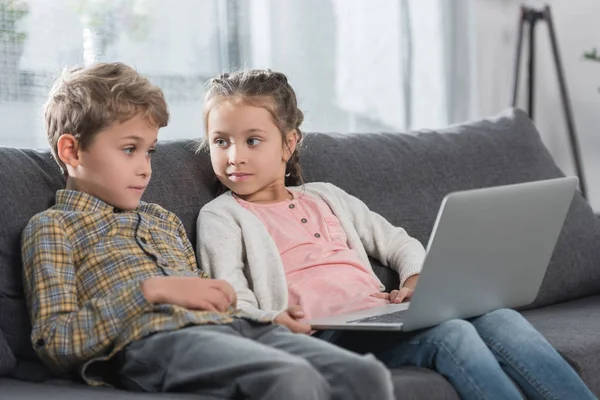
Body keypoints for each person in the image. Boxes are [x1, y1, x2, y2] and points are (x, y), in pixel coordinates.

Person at [196, 68, 597, 400]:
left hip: (376, 316)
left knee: (498, 317)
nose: (235, 157)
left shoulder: (325, 197)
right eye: (221, 142)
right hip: (325, 335)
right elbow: (229, 295)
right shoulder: (222, 216)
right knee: (452, 334)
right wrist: (275, 318)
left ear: (288, 143)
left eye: (252, 140)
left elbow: (398, 241)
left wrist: (415, 279)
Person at [21, 62, 395, 400]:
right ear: (71, 151)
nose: (145, 168)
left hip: (234, 329)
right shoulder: (53, 228)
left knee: (364, 375)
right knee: (291, 378)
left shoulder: (161, 219)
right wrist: (148, 292)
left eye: (149, 151)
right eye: (129, 149)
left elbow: (214, 298)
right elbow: (56, 341)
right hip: (154, 343)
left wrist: (259, 313)